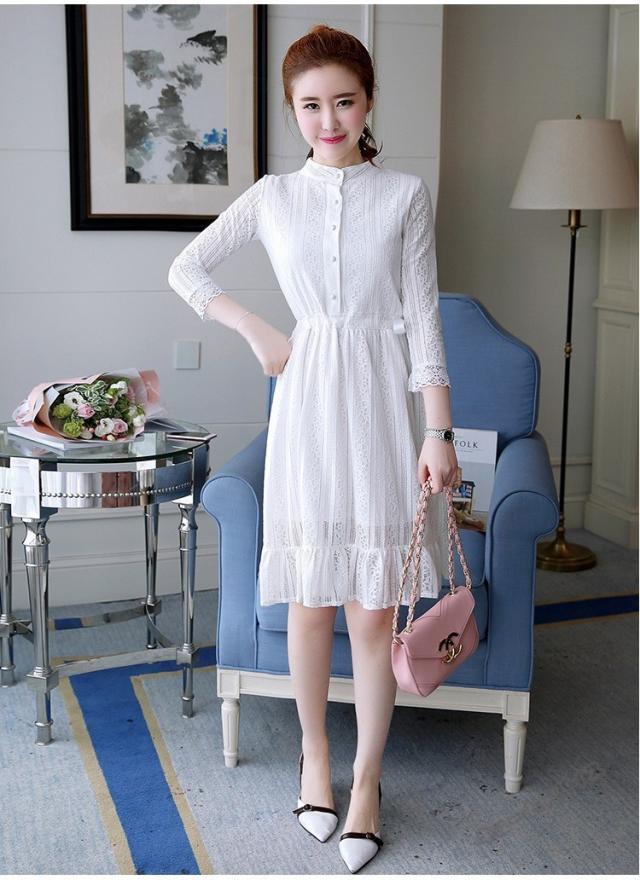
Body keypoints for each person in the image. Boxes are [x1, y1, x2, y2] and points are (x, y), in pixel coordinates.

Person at [168, 23, 460, 874]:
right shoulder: (272, 197)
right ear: (291, 110)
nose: (328, 120)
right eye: (310, 105)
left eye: (343, 101)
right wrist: (254, 326)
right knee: (309, 604)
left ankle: (367, 780)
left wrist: (438, 430)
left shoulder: (404, 196)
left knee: (372, 610)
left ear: (368, 102)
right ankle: (314, 760)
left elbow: (424, 320)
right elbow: (188, 268)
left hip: (380, 409)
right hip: (304, 409)